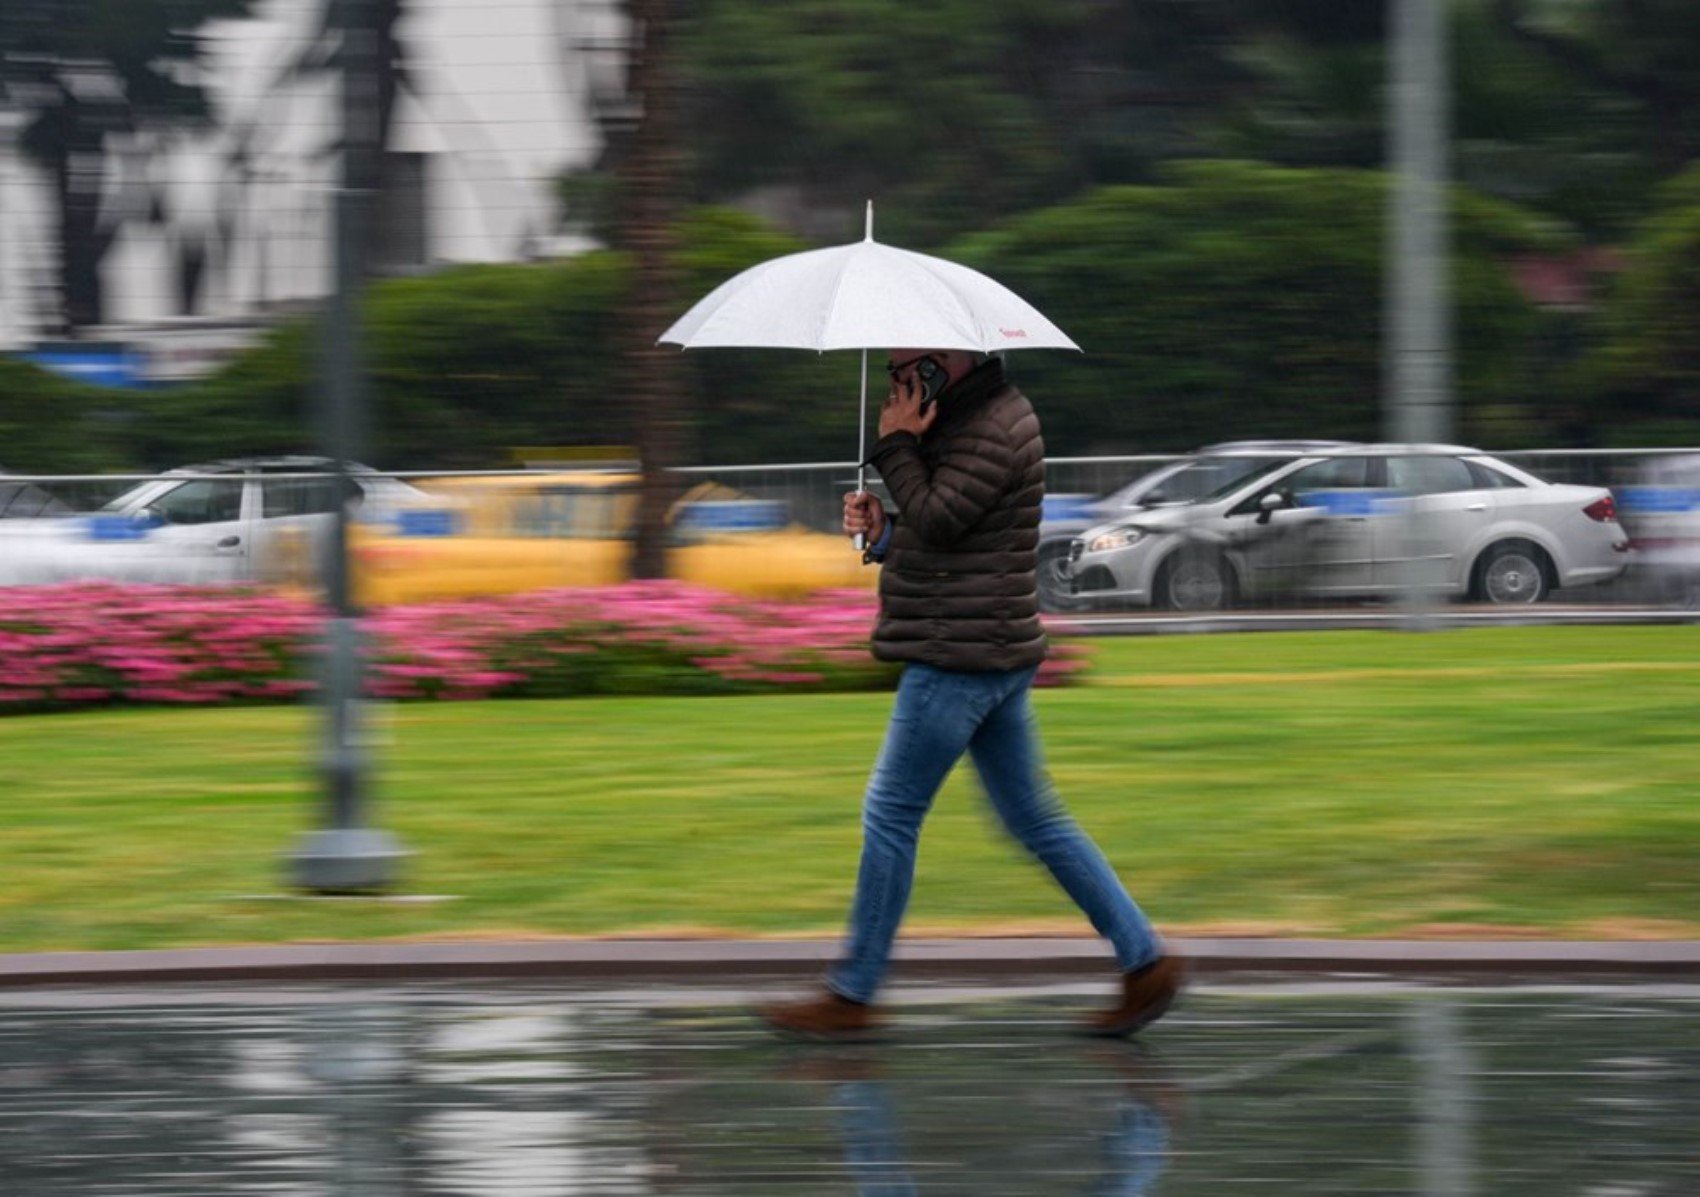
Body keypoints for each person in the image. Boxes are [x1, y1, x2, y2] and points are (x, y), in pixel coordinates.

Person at [757, 348, 1182, 1039]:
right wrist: (883, 529)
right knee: (1035, 821)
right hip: (988, 645)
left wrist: (896, 444)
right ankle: (1145, 960)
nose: (895, 373)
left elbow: (944, 516)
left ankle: (852, 994)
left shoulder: (993, 425)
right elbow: (944, 537)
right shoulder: (966, 418)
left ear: (946, 358)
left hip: (959, 655)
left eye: (905, 362)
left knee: (891, 812)